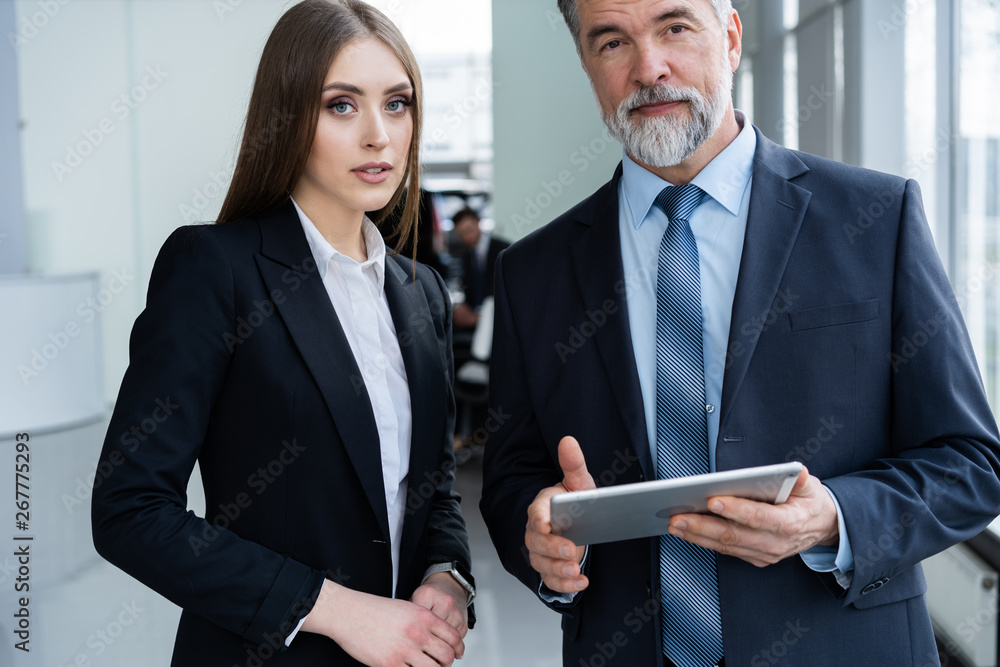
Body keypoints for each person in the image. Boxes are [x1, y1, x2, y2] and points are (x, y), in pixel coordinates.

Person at [479, 1, 1000, 665]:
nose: (649, 67)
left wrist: (835, 516)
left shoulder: (877, 220)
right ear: (586, 64)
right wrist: (539, 536)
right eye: (612, 42)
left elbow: (971, 462)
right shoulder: (534, 273)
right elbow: (509, 478)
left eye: (675, 27)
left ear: (729, 38)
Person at [91, 2, 475, 665]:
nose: (379, 135)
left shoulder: (422, 294)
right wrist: (339, 609)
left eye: (398, 103)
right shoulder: (215, 269)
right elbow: (130, 508)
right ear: (289, 115)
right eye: (342, 105)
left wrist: (447, 575)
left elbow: (433, 488)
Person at [451, 207, 508, 331]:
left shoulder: (503, 250)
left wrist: (481, 317)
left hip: (497, 317)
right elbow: (469, 289)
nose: (467, 237)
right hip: (476, 319)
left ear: (478, 222)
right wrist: (463, 307)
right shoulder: (466, 256)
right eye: (462, 234)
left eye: (469, 230)